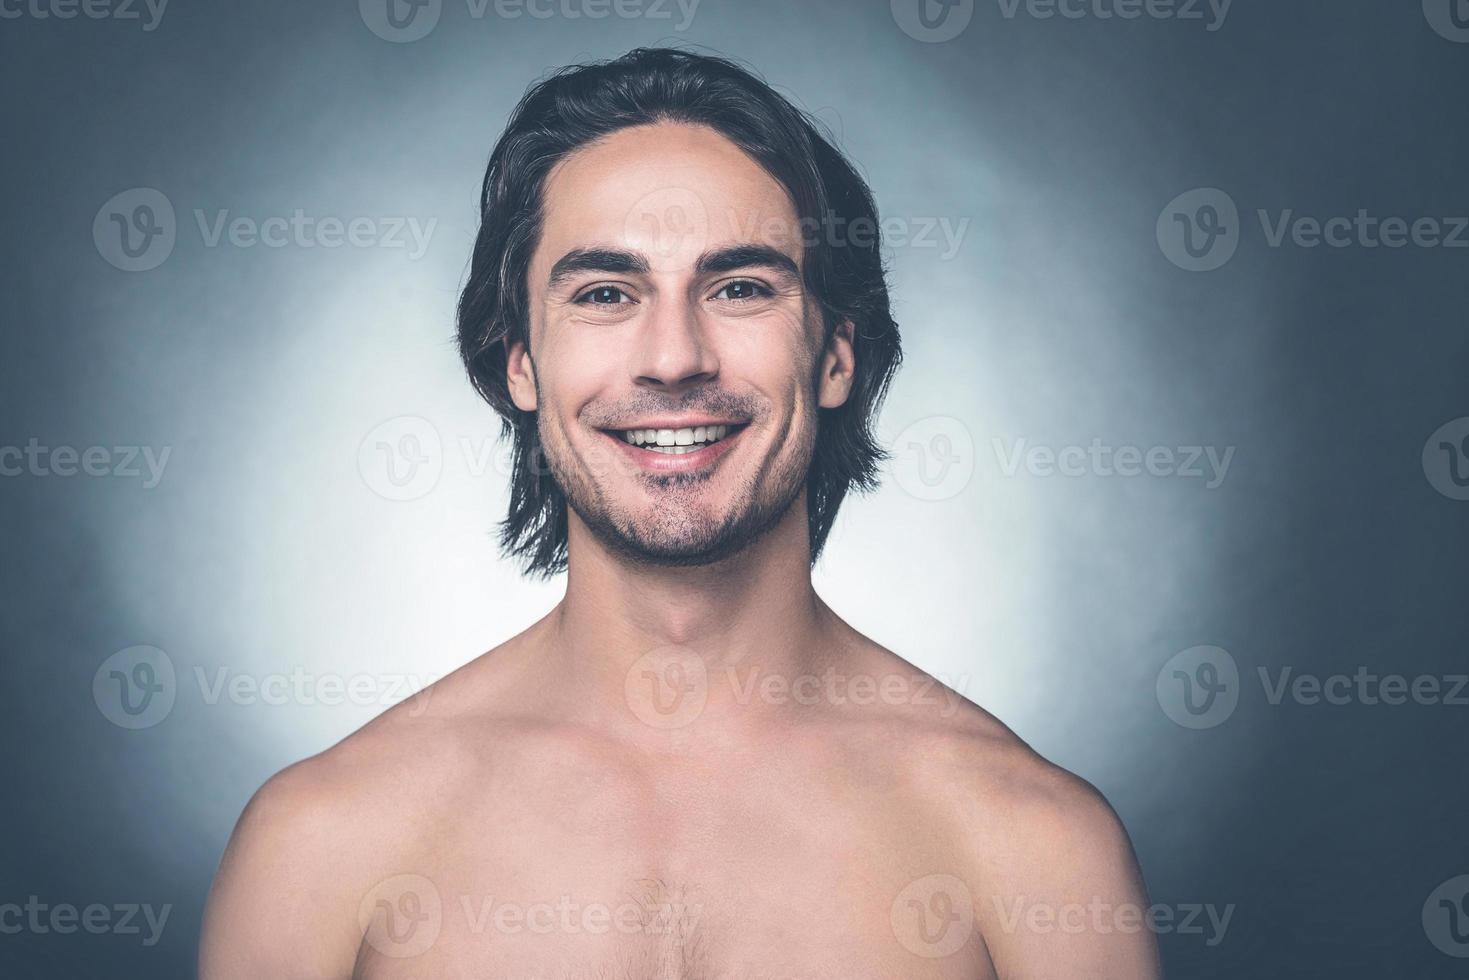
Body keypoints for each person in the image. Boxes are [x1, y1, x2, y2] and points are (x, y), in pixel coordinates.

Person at [200, 46, 1161, 979]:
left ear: (835, 357)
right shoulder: (322, 848)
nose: (673, 357)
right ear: (518, 364)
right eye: (606, 293)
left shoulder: (1035, 852)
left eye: (739, 287)